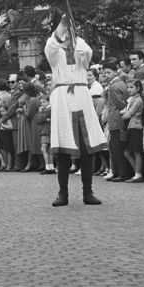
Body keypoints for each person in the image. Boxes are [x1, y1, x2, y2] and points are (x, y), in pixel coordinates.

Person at [45, 15, 106, 207]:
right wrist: (62, 25)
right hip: (63, 98)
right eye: (65, 33)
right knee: (63, 149)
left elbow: (87, 52)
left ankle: (88, 192)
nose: (68, 37)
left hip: (81, 95)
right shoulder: (55, 54)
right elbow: (51, 46)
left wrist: (75, 35)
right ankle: (62, 193)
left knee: (87, 148)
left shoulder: (81, 51)